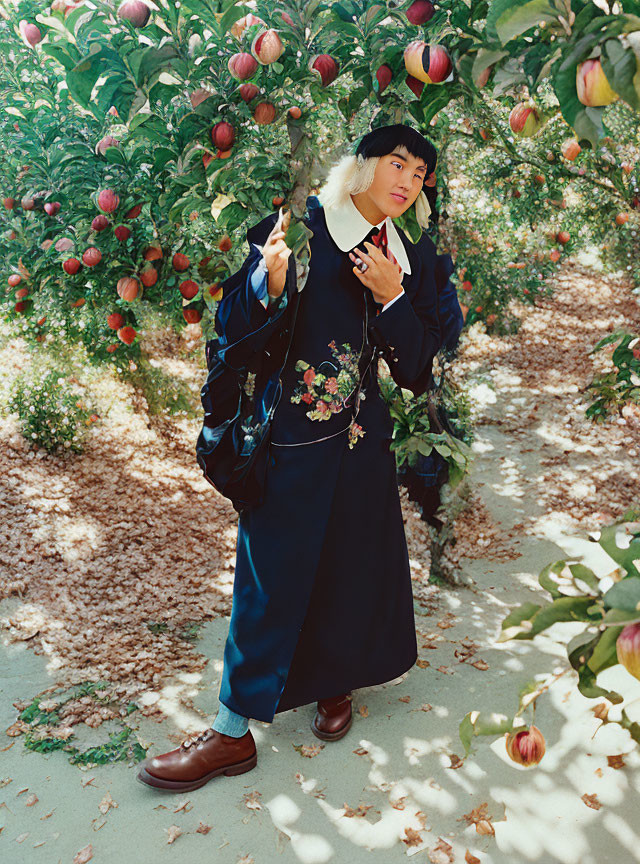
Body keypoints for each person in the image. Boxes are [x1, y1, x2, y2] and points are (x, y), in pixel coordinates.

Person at [137, 123, 456, 793]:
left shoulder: (411, 255)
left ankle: (332, 681)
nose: (406, 180)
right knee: (268, 579)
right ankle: (230, 732)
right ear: (362, 165)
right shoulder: (302, 226)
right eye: (395, 163)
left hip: (361, 441)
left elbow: (421, 371)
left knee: (349, 563)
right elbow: (232, 328)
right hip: (290, 436)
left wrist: (394, 295)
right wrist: (268, 281)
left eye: (419, 174)